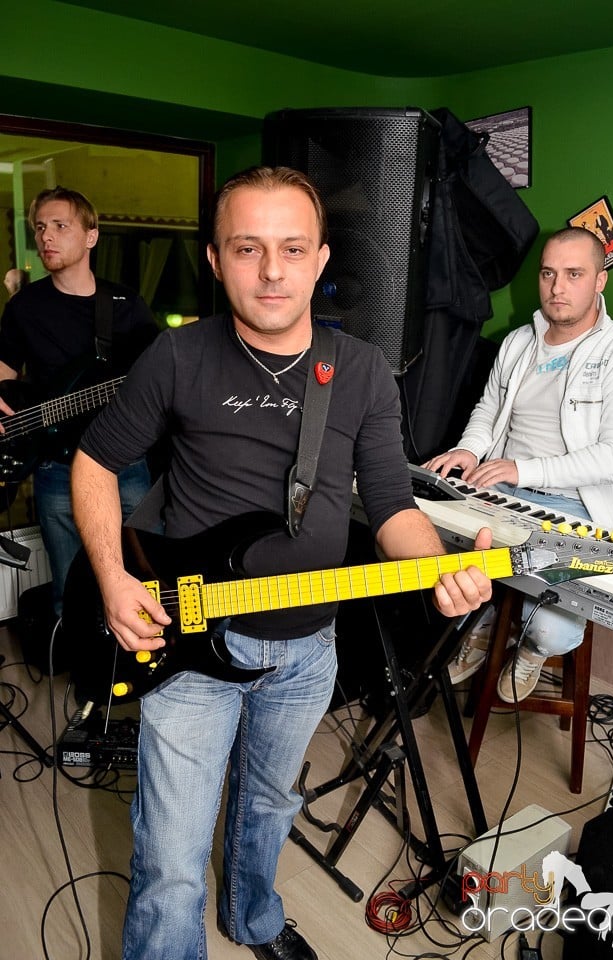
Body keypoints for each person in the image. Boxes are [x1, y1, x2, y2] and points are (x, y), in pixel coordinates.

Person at [70, 165, 493, 960]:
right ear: (215, 259)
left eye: (293, 248)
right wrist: (115, 579)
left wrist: (440, 566)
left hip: (307, 648)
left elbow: (393, 506)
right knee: (170, 855)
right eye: (247, 248)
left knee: (268, 806)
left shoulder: (360, 369)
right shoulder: (176, 356)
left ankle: (254, 920)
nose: (272, 271)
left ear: (321, 259)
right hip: (187, 639)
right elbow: (95, 462)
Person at [425, 226, 613, 701]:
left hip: (577, 506)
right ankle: (480, 627)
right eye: (548, 273)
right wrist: (470, 450)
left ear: (600, 280)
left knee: (550, 631)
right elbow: (488, 409)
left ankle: (531, 648)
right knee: (444, 570)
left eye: (574, 274)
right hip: (501, 489)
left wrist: (523, 470)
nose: (557, 287)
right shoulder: (519, 341)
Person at [0, 186, 157, 615]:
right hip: (55, 466)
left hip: (124, 464)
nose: (46, 237)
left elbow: (161, 377)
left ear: (91, 235)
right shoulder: (24, 307)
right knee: (69, 592)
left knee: (149, 576)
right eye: (40, 227)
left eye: (60, 226)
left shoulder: (124, 304)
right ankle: (76, 659)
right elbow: (5, 375)